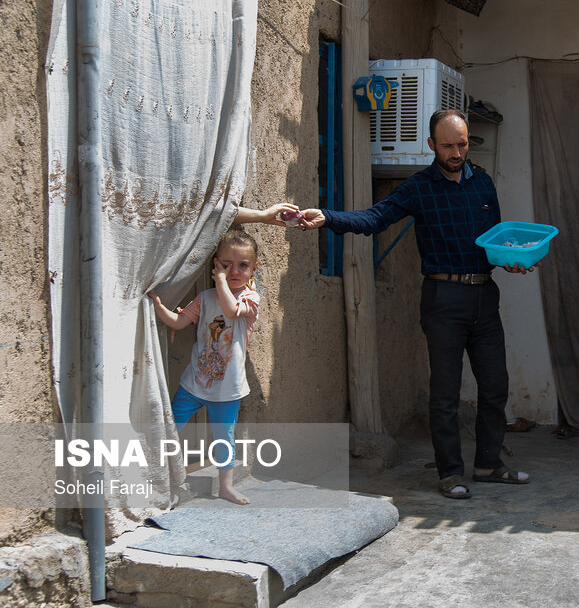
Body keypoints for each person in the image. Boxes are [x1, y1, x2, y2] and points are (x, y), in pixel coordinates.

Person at [298, 109, 530, 499]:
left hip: (484, 294)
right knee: (445, 392)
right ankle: (450, 473)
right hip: (443, 298)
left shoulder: (484, 184)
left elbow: (495, 242)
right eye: (448, 145)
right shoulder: (419, 187)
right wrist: (328, 218)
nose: (457, 152)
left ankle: (489, 464)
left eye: (462, 143)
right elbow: (375, 219)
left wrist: (513, 258)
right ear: (431, 145)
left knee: (495, 387)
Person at [149, 228, 264, 505]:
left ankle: (225, 486)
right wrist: (156, 306)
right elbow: (179, 323)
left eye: (242, 265)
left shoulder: (250, 299)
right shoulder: (204, 298)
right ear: (215, 264)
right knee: (170, 425)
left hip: (228, 387)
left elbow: (231, 311)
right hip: (195, 382)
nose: (234, 271)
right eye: (226, 265)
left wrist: (221, 280)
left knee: (223, 437)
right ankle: (157, 477)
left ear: (253, 270)